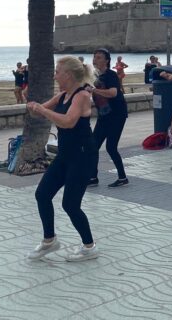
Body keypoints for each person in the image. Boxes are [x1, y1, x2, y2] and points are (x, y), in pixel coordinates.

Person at [27, 57, 98, 262]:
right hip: (65, 154)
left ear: (68, 74)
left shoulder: (82, 95)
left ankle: (89, 246)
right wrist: (33, 106)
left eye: (57, 71)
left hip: (83, 155)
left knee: (70, 204)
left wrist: (42, 110)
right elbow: (40, 112)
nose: (55, 75)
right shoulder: (63, 95)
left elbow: (68, 122)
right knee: (42, 194)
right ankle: (50, 241)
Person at [87, 49, 128, 188]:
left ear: (106, 61)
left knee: (111, 147)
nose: (95, 59)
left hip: (117, 115)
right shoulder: (93, 76)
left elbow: (113, 93)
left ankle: (122, 177)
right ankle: (93, 177)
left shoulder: (111, 75)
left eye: (98, 57)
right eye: (94, 57)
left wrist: (94, 90)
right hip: (103, 116)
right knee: (93, 146)